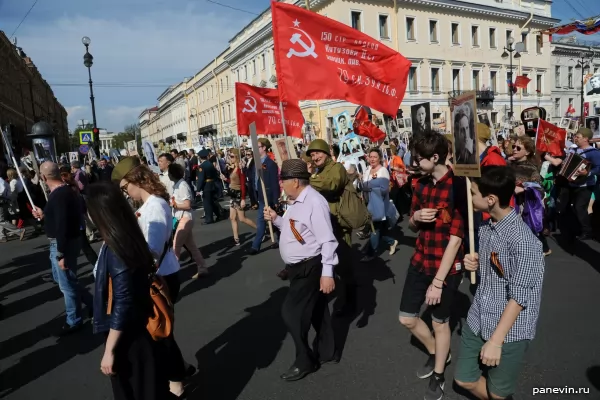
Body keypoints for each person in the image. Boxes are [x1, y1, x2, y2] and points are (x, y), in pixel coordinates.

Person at [455, 166, 545, 400]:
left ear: (491, 199)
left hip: (509, 330)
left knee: (498, 394)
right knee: (464, 378)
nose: (470, 197)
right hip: (478, 316)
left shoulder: (524, 242)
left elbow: (519, 297)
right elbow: (493, 271)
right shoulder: (485, 229)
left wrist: (496, 341)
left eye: (474, 193)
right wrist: (472, 263)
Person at [112, 157, 195, 397]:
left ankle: (177, 380)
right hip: (159, 275)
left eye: (126, 187)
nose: (126, 193)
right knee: (159, 331)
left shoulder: (156, 205)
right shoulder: (149, 205)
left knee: (160, 331)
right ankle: (179, 370)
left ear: (136, 180)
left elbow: (153, 250)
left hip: (160, 277)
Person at [87, 181, 171, 400]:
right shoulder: (127, 234)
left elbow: (123, 300)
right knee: (147, 387)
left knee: (134, 390)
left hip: (128, 334)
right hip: (138, 327)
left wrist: (109, 350)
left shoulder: (116, 245)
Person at [399, 132, 464, 400]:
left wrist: (438, 282)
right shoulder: (421, 184)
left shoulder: (458, 186)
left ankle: (439, 375)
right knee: (407, 318)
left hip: (446, 267)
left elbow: (456, 239)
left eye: (418, 158)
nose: (413, 162)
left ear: (434, 157)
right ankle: (439, 353)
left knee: (439, 322)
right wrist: (415, 217)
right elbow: (412, 225)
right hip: (420, 259)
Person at [263, 159, 337, 381]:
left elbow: (328, 241)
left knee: (291, 314)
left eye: (283, 180)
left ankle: (305, 361)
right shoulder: (297, 201)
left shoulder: (314, 202)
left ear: (295, 181)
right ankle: (327, 351)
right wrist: (276, 220)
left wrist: (327, 273)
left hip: (311, 267)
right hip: (298, 267)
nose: (281, 184)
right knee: (317, 311)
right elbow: (294, 229)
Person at [32, 162, 92, 334]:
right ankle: (93, 304)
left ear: (44, 177)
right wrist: (44, 215)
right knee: (66, 280)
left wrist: (60, 253)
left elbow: (63, 225)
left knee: (66, 284)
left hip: (62, 244)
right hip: (67, 241)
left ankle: (73, 320)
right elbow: (60, 219)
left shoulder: (59, 195)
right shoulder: (64, 192)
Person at [169, 163, 208, 279]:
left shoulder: (182, 185)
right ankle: (202, 267)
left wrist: (174, 205)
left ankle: (171, 275)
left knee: (176, 246)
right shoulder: (177, 184)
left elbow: (187, 205)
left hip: (185, 217)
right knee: (191, 246)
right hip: (181, 217)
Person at [360, 148, 399, 262]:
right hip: (368, 202)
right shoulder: (367, 170)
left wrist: (371, 187)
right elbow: (365, 185)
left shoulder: (383, 171)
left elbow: (384, 190)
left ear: (380, 158)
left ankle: (371, 253)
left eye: (375, 157)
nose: (372, 159)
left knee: (375, 229)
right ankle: (391, 241)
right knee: (376, 229)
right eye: (370, 157)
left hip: (378, 204)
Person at [248, 138, 280, 255]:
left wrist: (275, 199)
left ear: (264, 148)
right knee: (273, 220)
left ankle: (255, 246)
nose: (255, 149)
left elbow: (274, 182)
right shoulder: (256, 162)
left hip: (267, 196)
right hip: (259, 195)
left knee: (261, 220)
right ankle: (281, 240)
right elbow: (252, 177)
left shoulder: (270, 164)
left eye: (258, 147)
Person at [222, 149, 256, 245]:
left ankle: (260, 230)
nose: (230, 158)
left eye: (232, 156)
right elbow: (232, 182)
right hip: (233, 195)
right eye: (229, 156)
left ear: (237, 157)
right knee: (232, 217)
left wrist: (243, 199)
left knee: (242, 218)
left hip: (238, 195)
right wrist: (225, 179)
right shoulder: (232, 168)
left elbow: (242, 184)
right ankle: (236, 239)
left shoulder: (240, 169)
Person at [196, 149, 221, 225]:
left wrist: (198, 189)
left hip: (206, 185)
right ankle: (219, 214)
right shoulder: (210, 164)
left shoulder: (202, 166)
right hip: (212, 184)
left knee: (207, 203)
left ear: (200, 158)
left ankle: (209, 219)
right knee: (212, 201)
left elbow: (201, 178)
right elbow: (216, 174)